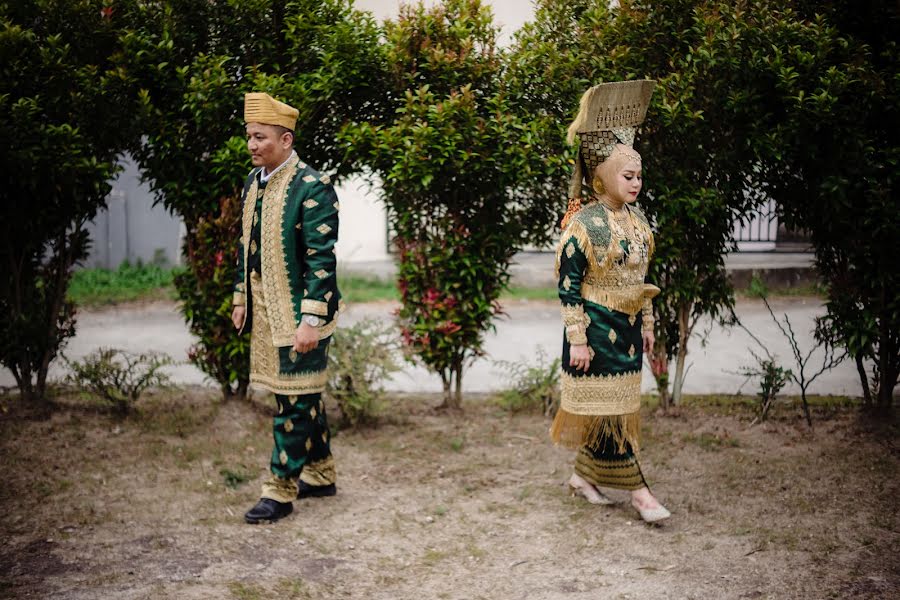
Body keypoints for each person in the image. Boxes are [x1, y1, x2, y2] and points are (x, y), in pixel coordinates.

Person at [550, 80, 670, 523]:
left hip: (630, 329)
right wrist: (577, 339)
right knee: (614, 413)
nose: (636, 183)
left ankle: (584, 477)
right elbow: (568, 284)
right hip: (596, 329)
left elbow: (642, 279)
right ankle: (639, 493)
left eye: (639, 175)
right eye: (628, 175)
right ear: (601, 176)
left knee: (615, 410)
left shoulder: (637, 220)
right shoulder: (583, 222)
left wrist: (650, 324)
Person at [231, 92, 343, 524]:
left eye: (260, 137)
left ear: (286, 139)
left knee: (295, 400)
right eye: (249, 137)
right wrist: (241, 296)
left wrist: (311, 320)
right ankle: (320, 472)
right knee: (296, 393)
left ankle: (279, 490)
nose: (253, 145)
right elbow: (246, 245)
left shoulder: (312, 188)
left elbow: (321, 259)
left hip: (303, 315)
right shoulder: (253, 181)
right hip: (266, 310)